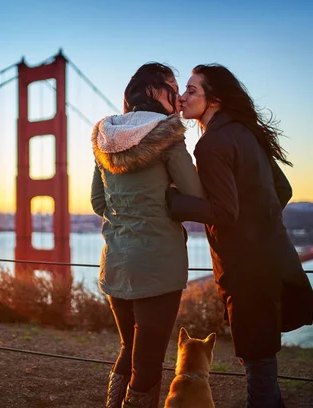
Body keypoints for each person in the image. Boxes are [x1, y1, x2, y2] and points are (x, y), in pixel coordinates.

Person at [166, 64, 313, 408]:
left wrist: (174, 202)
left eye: (191, 91)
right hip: (274, 260)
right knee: (263, 360)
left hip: (245, 272)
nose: (182, 97)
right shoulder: (246, 133)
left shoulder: (210, 144)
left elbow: (223, 212)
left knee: (257, 365)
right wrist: (257, 225)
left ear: (214, 99)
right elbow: (284, 189)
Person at [91, 62, 204, 408]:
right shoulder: (168, 135)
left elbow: (98, 202)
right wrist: (165, 198)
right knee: (149, 365)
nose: (179, 98)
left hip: (116, 267)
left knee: (129, 349)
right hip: (158, 269)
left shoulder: (104, 137)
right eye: (172, 86)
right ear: (155, 92)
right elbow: (194, 194)